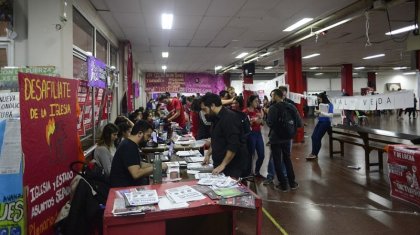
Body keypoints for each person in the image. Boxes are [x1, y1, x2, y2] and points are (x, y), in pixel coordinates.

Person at [200, 93, 248, 178]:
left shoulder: (229, 118)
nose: (204, 113)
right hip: (220, 164)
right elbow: (215, 139)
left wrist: (223, 165)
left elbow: (233, 145)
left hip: (232, 167)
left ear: (212, 105)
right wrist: (208, 154)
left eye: (205, 109)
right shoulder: (215, 118)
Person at [110, 120, 168, 187]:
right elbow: (136, 174)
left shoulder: (130, 143)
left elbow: (138, 164)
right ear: (140, 133)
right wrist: (157, 167)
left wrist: (156, 164)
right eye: (148, 135)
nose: (149, 139)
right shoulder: (128, 147)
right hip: (123, 188)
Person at [267, 89, 302, 192]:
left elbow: (269, 123)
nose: (271, 97)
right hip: (287, 138)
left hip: (276, 138)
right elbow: (299, 123)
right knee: (287, 159)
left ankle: (283, 185)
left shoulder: (273, 108)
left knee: (277, 161)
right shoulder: (291, 106)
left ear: (277, 96)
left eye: (272, 95)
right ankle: (292, 183)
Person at [307, 92, 334, 160]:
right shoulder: (321, 104)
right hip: (320, 122)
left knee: (318, 138)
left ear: (323, 98)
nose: (319, 101)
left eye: (319, 99)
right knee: (313, 137)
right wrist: (317, 114)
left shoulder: (330, 105)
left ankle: (315, 154)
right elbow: (320, 114)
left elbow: (331, 115)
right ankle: (313, 153)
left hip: (326, 123)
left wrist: (321, 112)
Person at [243, 95, 265, 178]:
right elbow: (244, 125)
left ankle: (257, 171)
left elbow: (262, 123)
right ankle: (249, 172)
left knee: (261, 155)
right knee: (250, 154)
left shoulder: (257, 111)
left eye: (258, 101)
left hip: (258, 134)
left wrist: (261, 118)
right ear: (251, 102)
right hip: (250, 134)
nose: (257, 103)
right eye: (255, 101)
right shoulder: (245, 111)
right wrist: (252, 121)